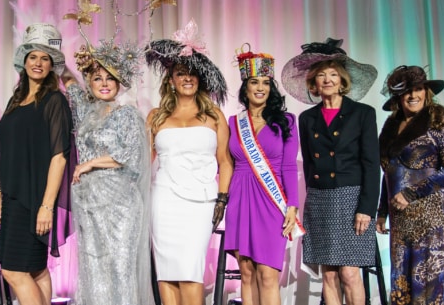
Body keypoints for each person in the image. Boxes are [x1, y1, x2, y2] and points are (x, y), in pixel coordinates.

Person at [281, 38, 379, 305]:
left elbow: (372, 164)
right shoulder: (307, 118)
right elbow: (311, 164)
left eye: (333, 74)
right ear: (313, 83)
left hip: (352, 200)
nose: (327, 79)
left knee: (350, 272)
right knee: (329, 275)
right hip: (320, 200)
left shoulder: (363, 114)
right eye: (321, 75)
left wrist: (367, 208)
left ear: (342, 80)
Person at [145, 20, 233, 305]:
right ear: (170, 79)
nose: (187, 78)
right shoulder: (156, 116)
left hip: (201, 202)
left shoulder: (215, 116)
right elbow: (144, 163)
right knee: (166, 274)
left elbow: (225, 161)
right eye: (181, 73)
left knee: (190, 272)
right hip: (164, 200)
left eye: (192, 75)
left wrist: (221, 199)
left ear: (200, 80)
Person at [61, 39, 153, 305]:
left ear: (118, 83)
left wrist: (90, 164)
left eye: (110, 78)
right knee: (93, 268)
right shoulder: (85, 113)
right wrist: (59, 53)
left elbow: (131, 156)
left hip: (121, 203)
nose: (103, 83)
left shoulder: (128, 114)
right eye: (97, 77)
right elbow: (67, 79)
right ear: (89, 81)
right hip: (90, 202)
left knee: (121, 267)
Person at [0, 23, 72, 305]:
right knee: (36, 270)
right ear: (24, 62)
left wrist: (47, 206)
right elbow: (4, 150)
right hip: (13, 200)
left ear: (52, 66)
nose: (38, 63)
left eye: (45, 58)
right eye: (33, 57)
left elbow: (59, 156)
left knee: (13, 270)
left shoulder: (54, 101)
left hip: (35, 201)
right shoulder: (16, 101)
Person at [375, 65, 444, 305]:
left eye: (418, 89)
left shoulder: (438, 121)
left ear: (426, 92)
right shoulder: (390, 126)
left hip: (428, 213)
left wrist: (412, 193)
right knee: (401, 278)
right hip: (399, 216)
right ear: (398, 97)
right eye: (407, 92)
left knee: (427, 279)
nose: (413, 96)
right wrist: (382, 212)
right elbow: (388, 172)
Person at [225, 46, 302, 305]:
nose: (260, 88)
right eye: (254, 82)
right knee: (245, 273)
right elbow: (226, 164)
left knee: (268, 275)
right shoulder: (233, 124)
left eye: (266, 83)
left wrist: (292, 205)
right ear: (245, 88)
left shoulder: (287, 121)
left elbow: (289, 166)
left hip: (271, 202)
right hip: (239, 200)